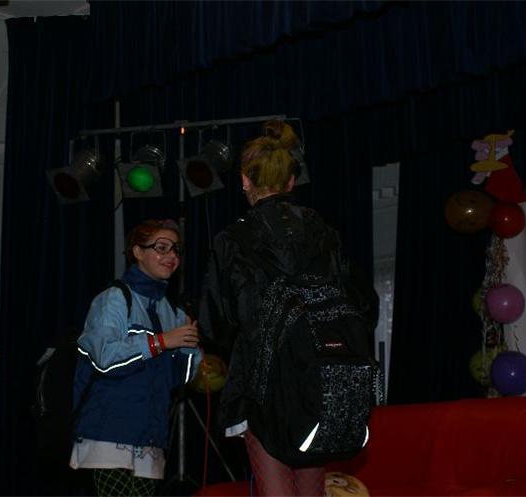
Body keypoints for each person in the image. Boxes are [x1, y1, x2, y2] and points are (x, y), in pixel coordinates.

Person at [199, 121, 378, 496]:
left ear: (245, 181)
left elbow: (216, 322)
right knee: (311, 486)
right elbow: (363, 303)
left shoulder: (233, 240)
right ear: (292, 182)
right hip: (321, 374)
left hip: (262, 381)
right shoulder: (324, 233)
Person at [70, 219, 202, 497]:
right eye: (161, 247)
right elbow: (105, 358)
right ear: (137, 252)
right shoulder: (114, 299)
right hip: (110, 431)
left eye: (176, 249)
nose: (171, 256)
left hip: (150, 434)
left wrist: (190, 346)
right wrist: (161, 341)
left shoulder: (172, 310)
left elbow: (180, 378)